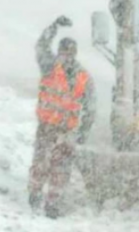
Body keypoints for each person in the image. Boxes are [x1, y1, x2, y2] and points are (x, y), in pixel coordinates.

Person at [29, 15, 96, 218]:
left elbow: (90, 106)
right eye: (64, 51)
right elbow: (41, 46)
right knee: (41, 162)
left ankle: (53, 203)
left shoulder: (83, 76)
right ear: (59, 52)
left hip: (67, 130)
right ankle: (34, 195)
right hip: (47, 125)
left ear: (75, 54)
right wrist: (53, 27)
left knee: (61, 168)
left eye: (70, 52)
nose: (67, 56)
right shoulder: (49, 66)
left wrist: (84, 130)